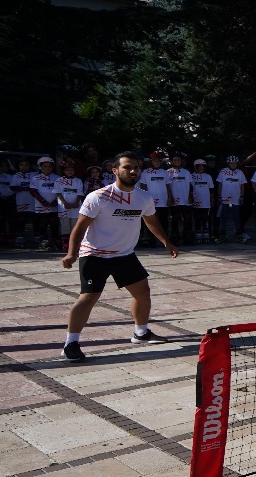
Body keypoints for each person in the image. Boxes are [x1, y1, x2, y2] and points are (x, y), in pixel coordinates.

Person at [58, 152, 177, 361]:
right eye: (127, 167)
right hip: (95, 254)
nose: (133, 171)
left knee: (142, 292)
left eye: (136, 168)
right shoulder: (98, 197)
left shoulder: (143, 196)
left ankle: (140, 333)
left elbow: (150, 220)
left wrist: (165, 241)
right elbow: (79, 227)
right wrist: (71, 253)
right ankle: (71, 343)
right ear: (115, 170)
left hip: (125, 255)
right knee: (88, 298)